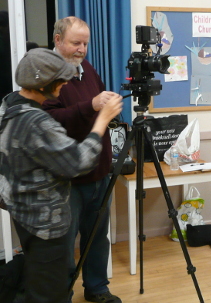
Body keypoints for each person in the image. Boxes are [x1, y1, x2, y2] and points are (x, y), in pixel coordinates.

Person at [0, 48, 122, 303]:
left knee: (39, 282)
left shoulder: (8, 104)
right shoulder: (36, 121)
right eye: (60, 80)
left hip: (24, 215)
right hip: (45, 224)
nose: (65, 84)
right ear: (43, 84)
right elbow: (78, 161)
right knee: (50, 291)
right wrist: (102, 121)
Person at [42, 17, 122, 303]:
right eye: (76, 43)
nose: (82, 50)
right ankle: (60, 295)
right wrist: (90, 105)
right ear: (58, 40)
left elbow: (96, 102)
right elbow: (50, 121)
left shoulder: (85, 67)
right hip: (67, 177)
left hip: (98, 169)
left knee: (98, 237)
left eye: (86, 43)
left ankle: (97, 288)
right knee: (63, 244)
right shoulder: (45, 73)